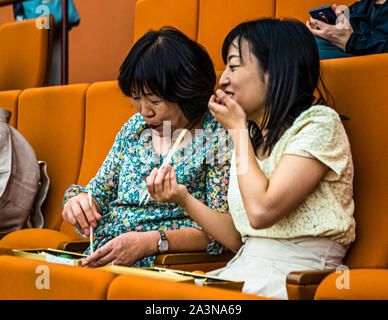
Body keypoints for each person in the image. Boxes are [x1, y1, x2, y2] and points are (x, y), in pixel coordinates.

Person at [146, 18, 356, 299]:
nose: (223, 80)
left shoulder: (319, 123)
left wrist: (237, 131)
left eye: (233, 66)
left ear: (274, 70)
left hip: (299, 276)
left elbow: (261, 212)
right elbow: (238, 237)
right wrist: (183, 198)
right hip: (246, 267)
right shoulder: (250, 135)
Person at [62, 27, 231, 268]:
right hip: (106, 257)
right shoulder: (135, 128)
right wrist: (79, 203)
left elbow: (222, 232)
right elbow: (98, 192)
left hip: (163, 265)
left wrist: (151, 242)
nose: (144, 112)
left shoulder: (218, 135)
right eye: (136, 99)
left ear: (186, 91)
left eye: (154, 101)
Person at [307, 1, 388, 59]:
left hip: (374, 66)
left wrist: (350, 42)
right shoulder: (359, 7)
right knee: (314, 44)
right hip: (352, 59)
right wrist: (327, 32)